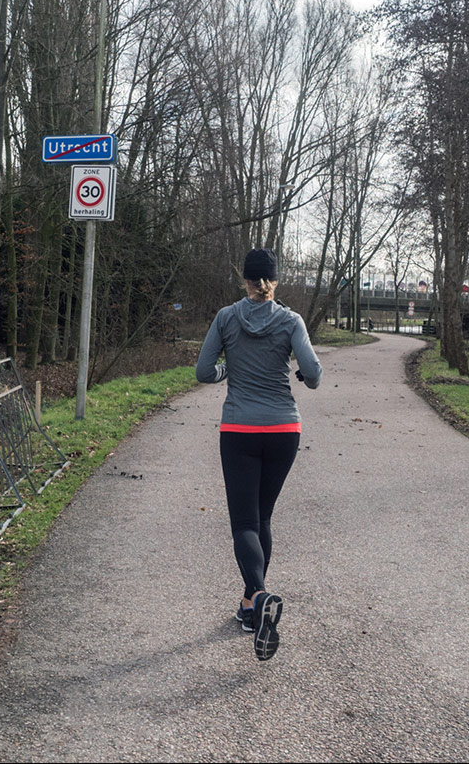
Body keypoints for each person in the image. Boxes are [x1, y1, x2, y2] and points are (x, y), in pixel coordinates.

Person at [195, 248, 322, 661]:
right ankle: (252, 609)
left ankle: (261, 594)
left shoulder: (226, 318)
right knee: (263, 517)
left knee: (245, 523)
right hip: (285, 429)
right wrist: (301, 373)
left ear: (245, 280)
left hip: (239, 429)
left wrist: (227, 371)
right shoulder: (291, 320)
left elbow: (202, 372)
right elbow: (314, 375)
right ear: (275, 281)